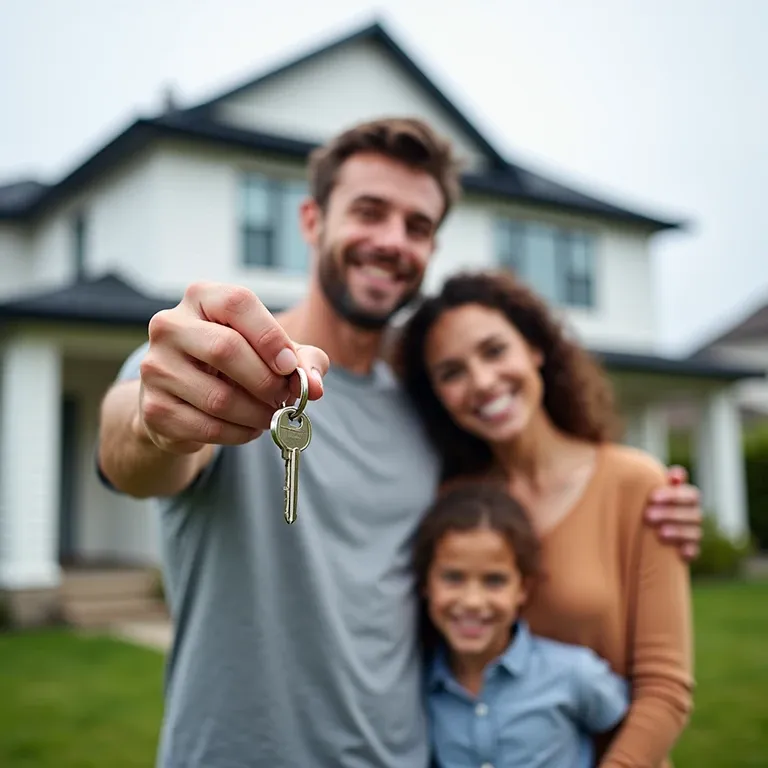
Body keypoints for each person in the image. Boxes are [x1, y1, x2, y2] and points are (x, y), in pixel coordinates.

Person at [96, 117, 702, 768]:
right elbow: (138, 451)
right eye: (369, 211)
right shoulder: (228, 365)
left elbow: (526, 528)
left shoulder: (432, 413)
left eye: (418, 226)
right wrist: (153, 422)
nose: (393, 241)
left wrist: (660, 515)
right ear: (310, 220)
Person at [397, 270, 694, 767]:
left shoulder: (636, 485)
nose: (483, 382)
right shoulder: (451, 505)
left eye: (494, 351)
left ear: (534, 348)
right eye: (452, 372)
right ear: (437, 396)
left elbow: (665, 691)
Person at [414, 482, 629, 768]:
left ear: (522, 589)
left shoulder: (575, 675)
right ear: (426, 584)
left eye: (494, 581)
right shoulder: (417, 686)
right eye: (453, 578)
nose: (473, 601)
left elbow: (631, 730)